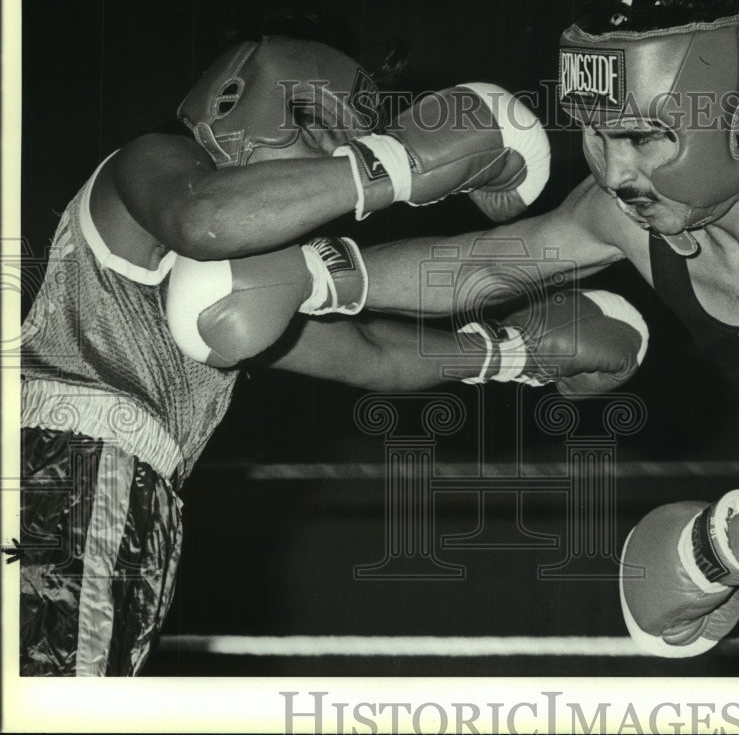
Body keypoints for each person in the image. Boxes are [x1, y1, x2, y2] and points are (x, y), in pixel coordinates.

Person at [242, 0, 739, 675]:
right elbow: (481, 264)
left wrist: (708, 557)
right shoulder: (629, 215)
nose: (616, 169)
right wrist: (315, 272)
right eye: (597, 133)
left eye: (641, 136)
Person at [20, 33, 644, 676]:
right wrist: (395, 162)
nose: (325, 159)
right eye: (315, 127)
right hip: (58, 469)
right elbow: (205, 217)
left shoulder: (232, 295)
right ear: (242, 97)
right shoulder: (153, 161)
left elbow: (371, 353)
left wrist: (513, 355)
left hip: (128, 500)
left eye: (342, 144)